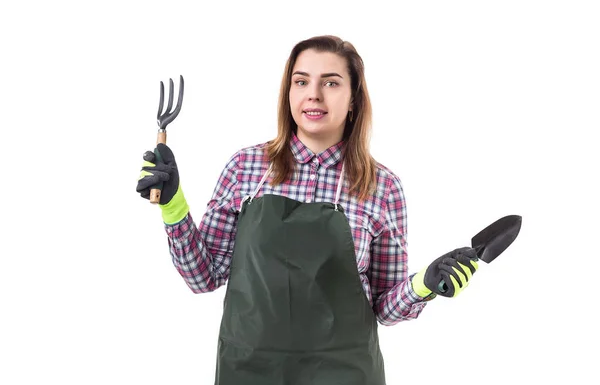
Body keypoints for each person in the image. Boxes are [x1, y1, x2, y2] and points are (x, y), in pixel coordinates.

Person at [136, 35, 479, 385]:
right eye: (301, 82)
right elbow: (202, 277)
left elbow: (385, 309)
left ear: (353, 100)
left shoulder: (383, 187)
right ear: (289, 94)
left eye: (330, 82)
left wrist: (426, 283)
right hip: (249, 371)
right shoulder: (246, 168)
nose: (313, 94)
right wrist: (173, 205)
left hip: (344, 373)